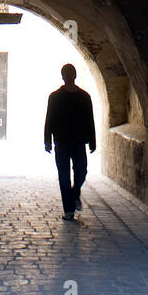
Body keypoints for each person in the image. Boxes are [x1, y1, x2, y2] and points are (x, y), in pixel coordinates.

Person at [44, 64, 96, 221]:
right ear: (62, 76)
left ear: (75, 75)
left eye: (71, 73)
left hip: (79, 142)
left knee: (81, 172)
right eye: (66, 73)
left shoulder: (84, 97)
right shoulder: (54, 97)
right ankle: (69, 210)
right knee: (64, 177)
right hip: (61, 142)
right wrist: (47, 140)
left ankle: (74, 194)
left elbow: (90, 120)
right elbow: (49, 119)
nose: (68, 76)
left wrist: (92, 141)